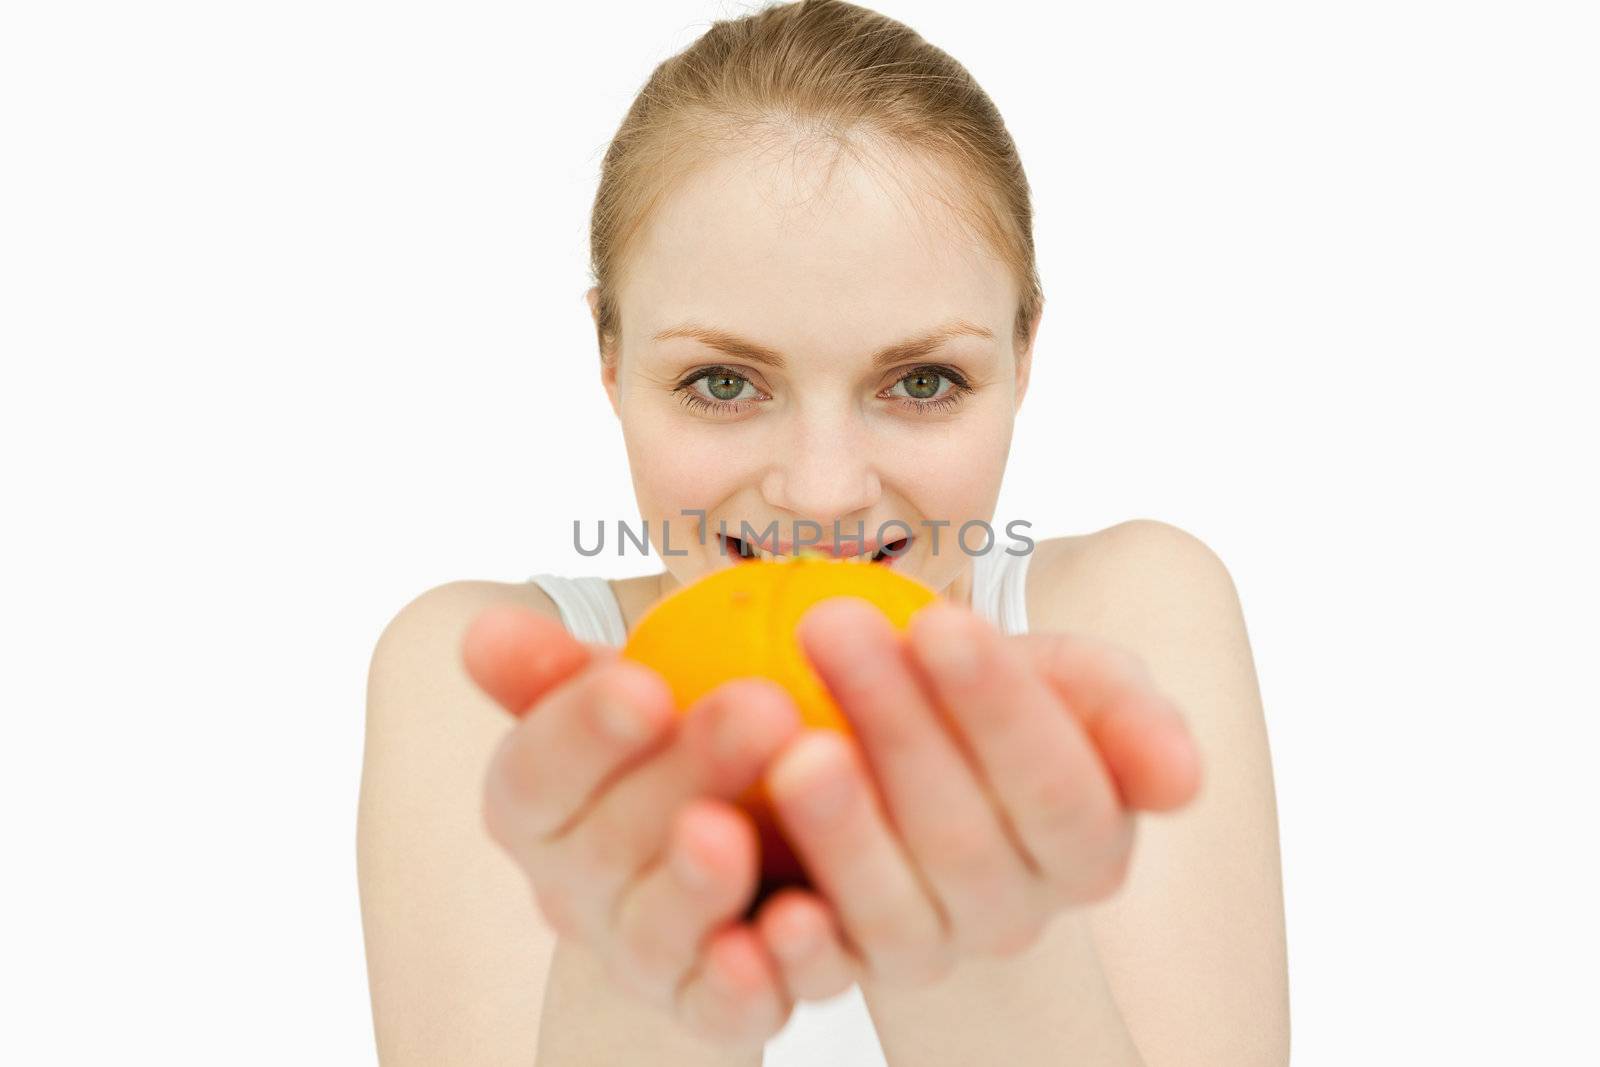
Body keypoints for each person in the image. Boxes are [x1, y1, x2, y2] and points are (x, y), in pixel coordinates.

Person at [357, 1, 1289, 1063]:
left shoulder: (1130, 616)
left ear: (1024, 356)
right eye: (721, 382)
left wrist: (985, 949)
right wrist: (640, 975)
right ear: (609, 359)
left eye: (923, 380)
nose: (824, 491)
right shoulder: (486, 687)